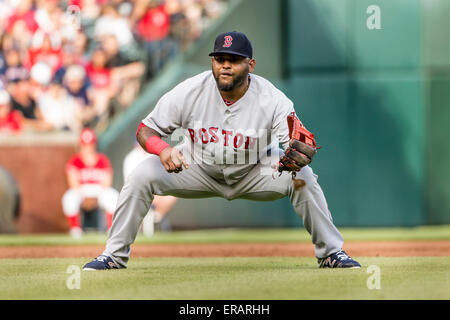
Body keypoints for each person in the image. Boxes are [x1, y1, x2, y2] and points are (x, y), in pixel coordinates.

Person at [83, 31, 361, 270]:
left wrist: (295, 151)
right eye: (220, 59)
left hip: (256, 168)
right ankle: (113, 256)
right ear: (213, 62)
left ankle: (331, 254)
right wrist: (163, 149)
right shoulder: (191, 90)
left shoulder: (273, 99)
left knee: (304, 178)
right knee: (141, 174)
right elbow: (146, 129)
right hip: (196, 165)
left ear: (250, 64)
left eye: (234, 60)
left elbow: (294, 140)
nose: (225, 66)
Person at [62, 128, 119, 238]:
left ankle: (111, 229)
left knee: (113, 195)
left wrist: (96, 198)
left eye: (90, 144)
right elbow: (73, 183)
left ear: (94, 144)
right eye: (85, 145)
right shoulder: (75, 160)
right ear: (81, 145)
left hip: (99, 190)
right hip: (81, 190)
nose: (88, 148)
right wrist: (84, 197)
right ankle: (75, 230)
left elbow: (107, 183)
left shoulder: (102, 160)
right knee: (69, 197)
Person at [123, 141, 178, 236]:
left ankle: (155, 219)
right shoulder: (131, 157)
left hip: (155, 192)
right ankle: (143, 223)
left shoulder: (154, 156)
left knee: (172, 195)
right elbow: (131, 183)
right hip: (136, 192)